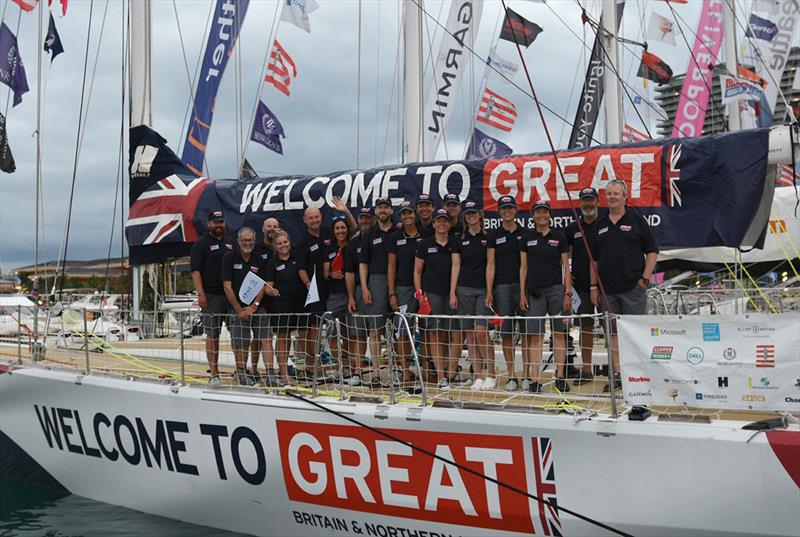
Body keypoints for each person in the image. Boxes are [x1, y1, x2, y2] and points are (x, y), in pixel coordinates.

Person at [590, 179, 658, 392]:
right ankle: (617, 375)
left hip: (632, 290)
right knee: (612, 337)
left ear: (625, 196)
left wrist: (644, 280)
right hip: (607, 292)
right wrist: (593, 287)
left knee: (635, 335)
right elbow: (594, 260)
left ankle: (638, 377)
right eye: (608, 193)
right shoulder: (600, 224)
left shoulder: (637, 220)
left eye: (616, 193)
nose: (612, 197)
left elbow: (653, 252)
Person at [295, 198, 355, 370]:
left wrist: (345, 211)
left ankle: (344, 362)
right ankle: (312, 364)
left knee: (340, 327)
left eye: (317, 217)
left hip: (331, 289)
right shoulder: (302, 241)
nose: (314, 220)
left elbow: (353, 229)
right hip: (313, 290)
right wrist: (308, 285)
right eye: (311, 218)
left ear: (321, 217)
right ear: (305, 220)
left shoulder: (328, 234)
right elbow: (300, 268)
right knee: (314, 328)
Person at [519, 201, 572, 394]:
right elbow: (523, 268)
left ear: (549, 215)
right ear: (533, 216)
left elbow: (566, 267)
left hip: (557, 290)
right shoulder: (526, 238)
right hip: (534, 293)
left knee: (559, 334)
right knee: (535, 336)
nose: (541, 215)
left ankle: (560, 377)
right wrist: (522, 293)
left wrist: (568, 292)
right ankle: (535, 380)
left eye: (544, 211)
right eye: (538, 212)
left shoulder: (559, 237)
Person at [451, 199, 494, 391]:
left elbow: (491, 265)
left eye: (474, 213)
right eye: (468, 214)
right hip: (463, 289)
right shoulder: (459, 239)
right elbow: (455, 266)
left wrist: (490, 290)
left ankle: (491, 373)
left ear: (480, 215)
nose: (471, 217)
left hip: (483, 289)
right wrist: (452, 292)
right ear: (465, 217)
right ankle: (478, 375)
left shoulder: (489, 237)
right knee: (470, 334)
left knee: (481, 332)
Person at [414, 208, 459, 390]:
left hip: (449, 293)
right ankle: (441, 376)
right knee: (435, 333)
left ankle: (451, 373)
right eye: (438, 221)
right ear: (433, 224)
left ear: (449, 224)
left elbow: (456, 267)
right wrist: (419, 293)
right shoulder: (425, 244)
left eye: (445, 221)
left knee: (452, 333)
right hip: (431, 293)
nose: (441, 224)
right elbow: (417, 271)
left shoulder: (454, 243)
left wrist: (452, 292)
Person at [189, 210, 234, 386]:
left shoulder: (231, 242)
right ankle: (214, 373)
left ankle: (241, 369)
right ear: (209, 224)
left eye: (221, 222)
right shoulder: (200, 244)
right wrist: (201, 294)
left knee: (237, 335)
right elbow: (195, 271)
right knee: (212, 336)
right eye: (215, 222)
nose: (218, 225)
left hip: (231, 297)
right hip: (212, 296)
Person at [485, 196, 524, 392]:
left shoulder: (524, 232)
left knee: (527, 332)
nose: (507, 211)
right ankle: (511, 376)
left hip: (522, 287)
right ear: (499, 211)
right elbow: (490, 264)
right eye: (503, 208)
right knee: (507, 333)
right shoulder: (493, 235)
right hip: (501, 287)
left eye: (510, 207)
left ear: (515, 210)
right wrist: (490, 290)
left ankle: (527, 375)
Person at [222, 227, 268, 386]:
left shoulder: (259, 259)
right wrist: (239, 309)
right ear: (238, 241)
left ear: (254, 241)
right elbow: (227, 286)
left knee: (266, 338)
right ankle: (241, 373)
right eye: (244, 240)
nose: (247, 242)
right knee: (241, 341)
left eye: (250, 240)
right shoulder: (229, 258)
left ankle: (270, 375)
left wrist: (254, 306)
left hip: (256, 308)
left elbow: (263, 285)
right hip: (236, 308)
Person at [565, 188, 600, 385]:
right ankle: (587, 370)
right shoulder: (572, 228)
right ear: (579, 203)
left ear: (597, 201)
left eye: (591, 200)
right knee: (585, 328)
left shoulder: (605, 223)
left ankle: (618, 372)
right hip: (581, 286)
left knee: (611, 329)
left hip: (604, 285)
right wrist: (567, 274)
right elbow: (563, 255)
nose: (588, 204)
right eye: (584, 200)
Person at [359, 197, 395, 387]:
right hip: (376, 281)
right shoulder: (369, 234)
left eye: (386, 207)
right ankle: (375, 373)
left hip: (399, 282)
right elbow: (363, 263)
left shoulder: (399, 230)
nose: (383, 210)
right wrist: (365, 287)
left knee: (396, 330)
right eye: (380, 207)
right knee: (375, 330)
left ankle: (397, 369)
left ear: (391, 210)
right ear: (376, 211)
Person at [263, 230, 305, 386]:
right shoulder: (272, 263)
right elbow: (267, 287)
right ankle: (283, 374)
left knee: (294, 338)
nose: (283, 245)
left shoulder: (297, 258)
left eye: (285, 242)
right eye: (279, 243)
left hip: (298, 304)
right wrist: (270, 292)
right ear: (275, 246)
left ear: (289, 242)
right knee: (283, 338)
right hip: (280, 306)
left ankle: (301, 369)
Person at [387, 200, 422, 387]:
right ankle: (405, 371)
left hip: (424, 288)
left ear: (415, 214)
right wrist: (392, 293)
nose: (407, 216)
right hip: (403, 288)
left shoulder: (425, 234)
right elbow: (391, 267)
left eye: (410, 213)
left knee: (427, 330)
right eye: (404, 214)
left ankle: (427, 369)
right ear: (400, 216)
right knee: (402, 332)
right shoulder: (395, 237)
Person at [249, 217, 280, 380]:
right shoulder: (257, 249)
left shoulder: (282, 246)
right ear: (263, 229)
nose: (272, 229)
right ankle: (254, 369)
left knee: (281, 335)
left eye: (275, 226)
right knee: (259, 337)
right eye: (269, 226)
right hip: (261, 299)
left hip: (279, 299)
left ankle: (280, 368)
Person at [345, 210, 373, 386]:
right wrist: (351, 297)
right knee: (359, 334)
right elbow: (349, 273)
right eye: (361, 218)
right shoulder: (353, 243)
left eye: (367, 218)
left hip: (382, 287)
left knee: (386, 332)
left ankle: (396, 370)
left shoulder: (383, 235)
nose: (364, 220)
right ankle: (357, 372)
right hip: (359, 291)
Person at [323, 215, 352, 374]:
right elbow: (325, 273)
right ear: (333, 231)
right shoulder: (329, 249)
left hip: (350, 295)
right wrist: (331, 275)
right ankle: (338, 365)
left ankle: (347, 366)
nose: (340, 231)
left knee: (348, 332)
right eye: (337, 228)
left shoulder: (353, 245)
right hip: (334, 296)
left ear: (347, 230)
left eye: (343, 228)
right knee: (332, 333)